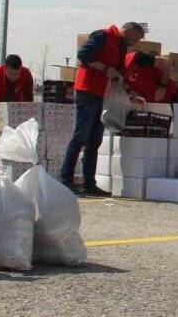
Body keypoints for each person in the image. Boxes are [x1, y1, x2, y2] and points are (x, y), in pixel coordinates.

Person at [60, 22, 145, 196]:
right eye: (133, 39)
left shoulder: (121, 46)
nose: (133, 44)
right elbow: (83, 55)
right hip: (87, 89)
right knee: (81, 135)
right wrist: (105, 68)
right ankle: (65, 180)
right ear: (127, 31)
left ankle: (89, 183)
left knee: (95, 139)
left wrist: (128, 92)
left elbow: (118, 73)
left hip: (102, 93)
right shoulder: (103, 36)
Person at [0, 54, 34, 165]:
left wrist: (27, 116)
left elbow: (29, 98)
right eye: (10, 74)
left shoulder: (26, 74)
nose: (14, 77)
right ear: (5, 68)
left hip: (15, 110)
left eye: (17, 73)